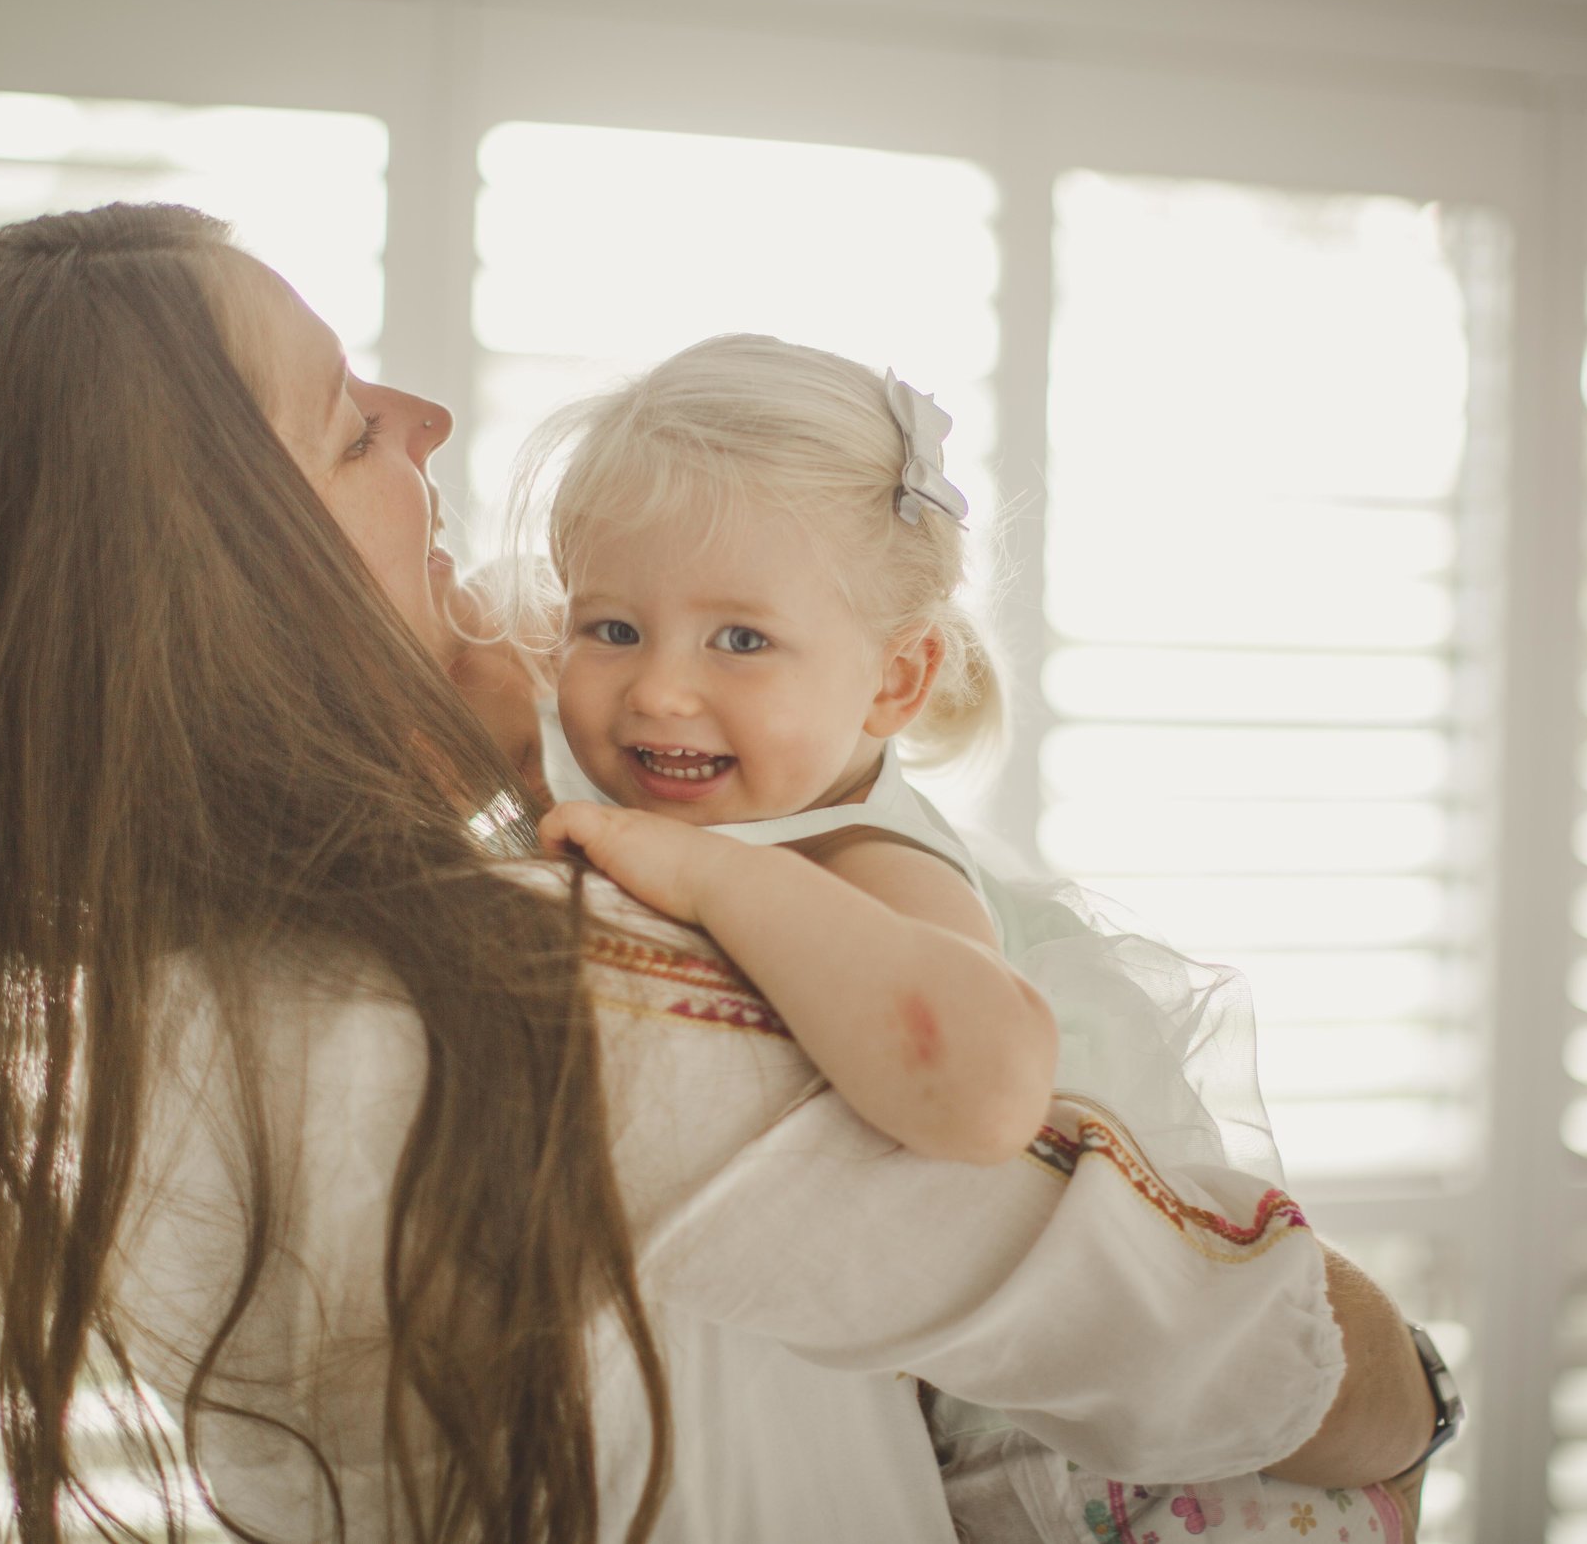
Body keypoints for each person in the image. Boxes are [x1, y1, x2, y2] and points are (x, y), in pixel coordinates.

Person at [0, 204, 1437, 1544]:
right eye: (354, 426)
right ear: (222, 587)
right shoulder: (555, 1009)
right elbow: (1181, 1330)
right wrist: (1415, 1395)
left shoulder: (139, 1025)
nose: (425, 420)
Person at [508, 332, 1427, 1540]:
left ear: (894, 684)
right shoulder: (728, 798)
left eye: (739, 640)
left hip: (1112, 1469)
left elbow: (985, 1094)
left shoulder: (860, 857)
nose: (657, 691)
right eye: (610, 628)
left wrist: (705, 873)